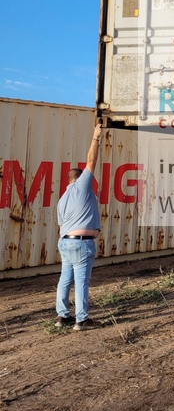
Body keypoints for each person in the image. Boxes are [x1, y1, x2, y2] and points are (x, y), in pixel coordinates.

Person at [55, 121, 102, 331]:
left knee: (65, 279)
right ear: (80, 178)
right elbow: (91, 160)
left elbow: (61, 227)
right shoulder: (82, 186)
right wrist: (96, 136)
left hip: (65, 242)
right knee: (81, 281)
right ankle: (81, 320)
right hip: (81, 244)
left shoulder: (62, 200)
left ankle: (62, 316)